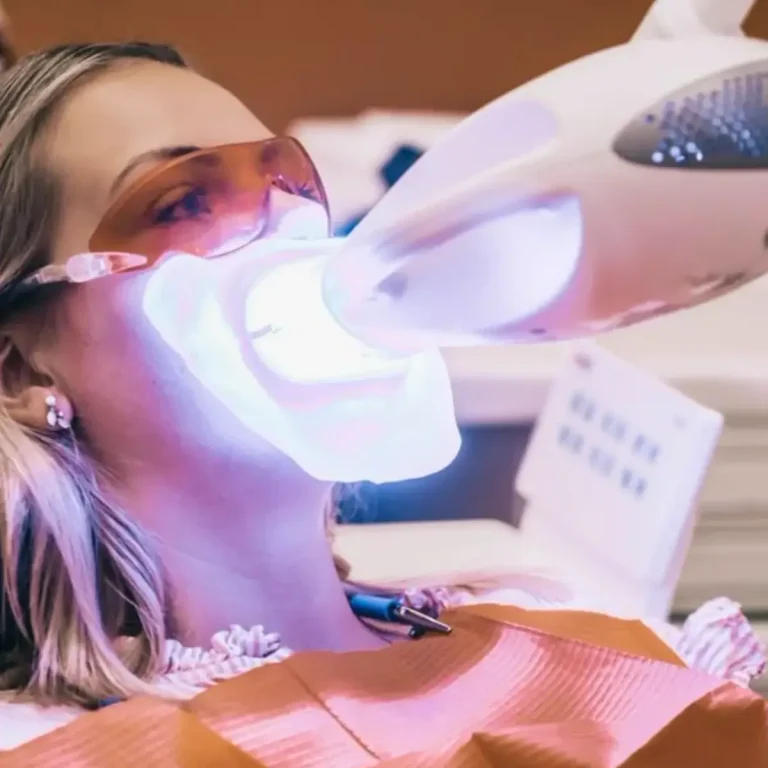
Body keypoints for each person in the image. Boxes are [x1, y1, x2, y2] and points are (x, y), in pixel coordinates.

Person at [0, 42, 763, 759]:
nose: (291, 226)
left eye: (293, 183)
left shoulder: (580, 645)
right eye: (180, 203)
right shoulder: (56, 747)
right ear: (20, 374)